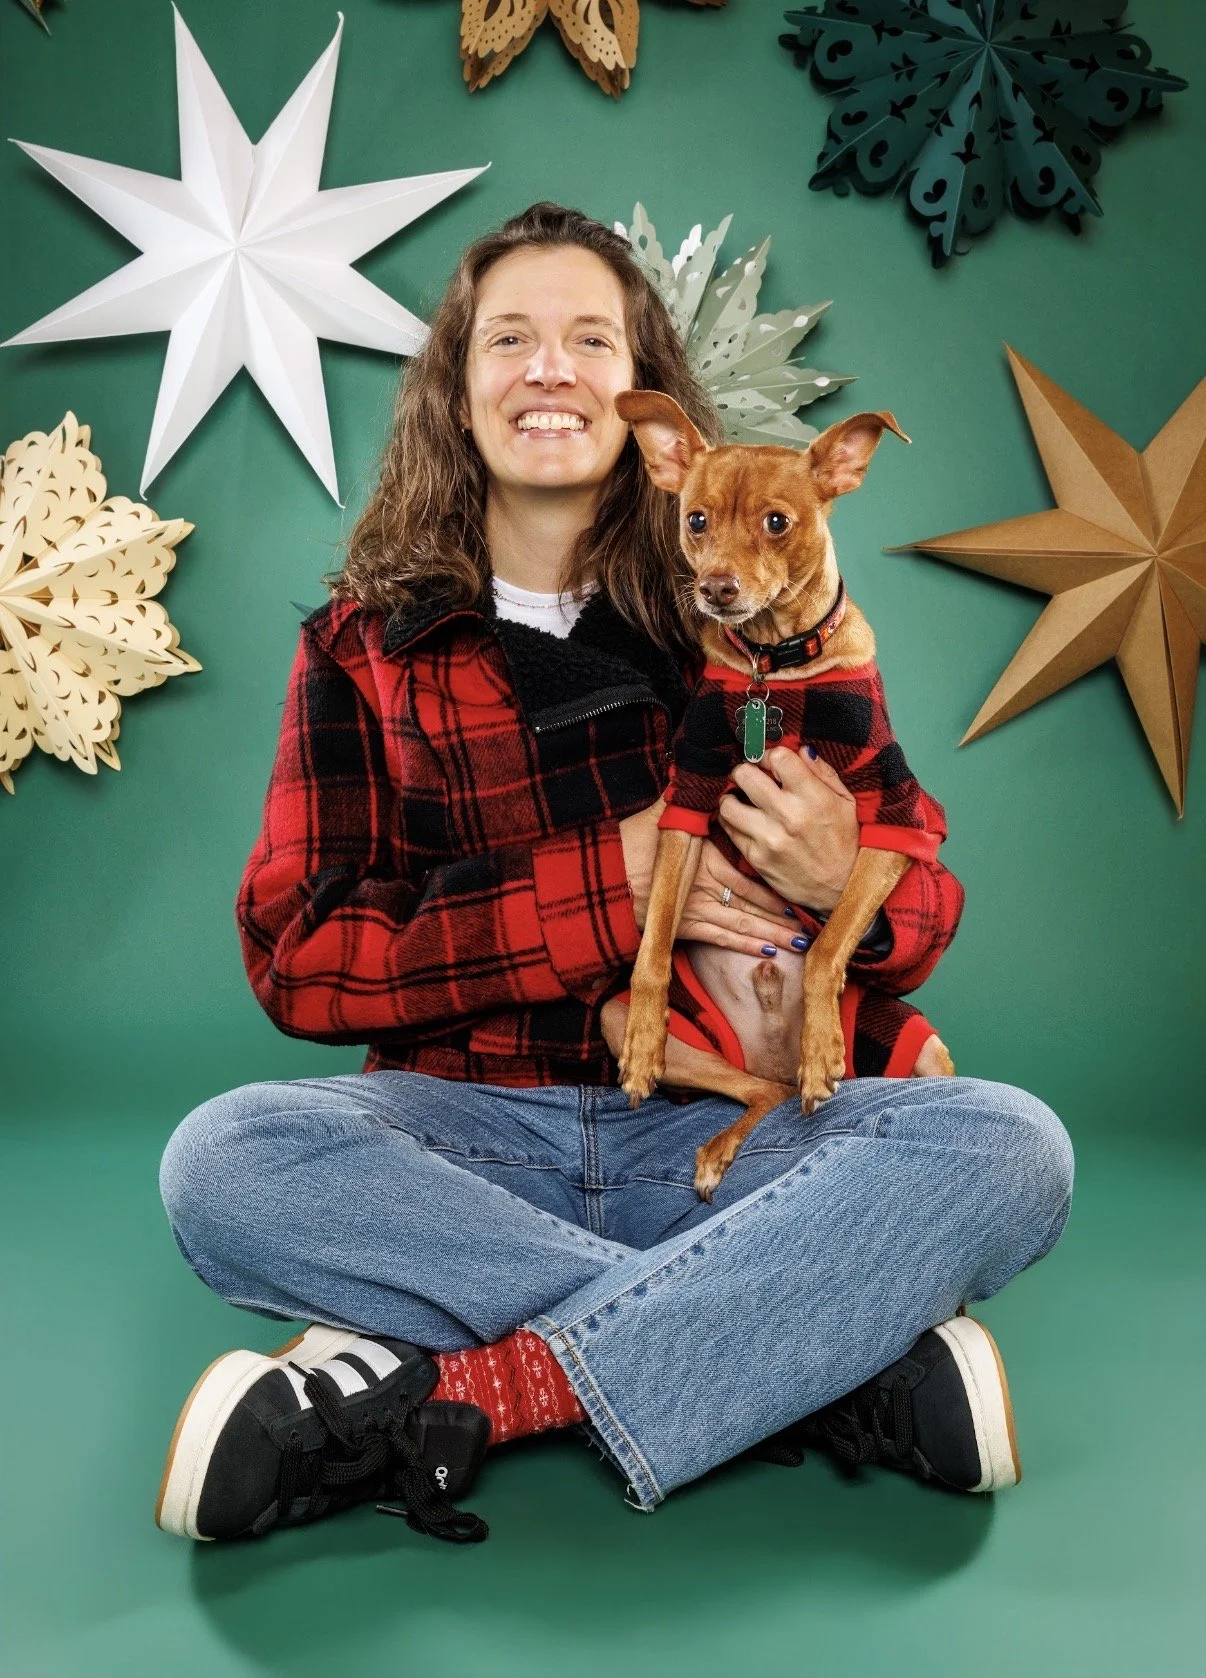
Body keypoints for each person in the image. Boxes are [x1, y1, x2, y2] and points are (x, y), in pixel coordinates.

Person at [156, 203, 1074, 1548]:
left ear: (646, 405)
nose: (548, 367)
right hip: (469, 1146)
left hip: (726, 1135)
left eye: (590, 337)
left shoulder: (746, 611)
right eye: (508, 338)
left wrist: (832, 879)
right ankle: (812, 1358)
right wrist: (611, 880)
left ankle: (461, 1378)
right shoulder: (361, 645)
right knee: (222, 1161)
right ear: (454, 391)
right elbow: (300, 955)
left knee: (1011, 1146)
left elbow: (921, 905)